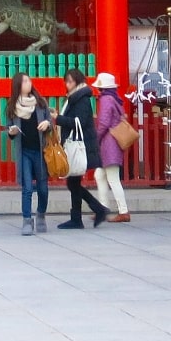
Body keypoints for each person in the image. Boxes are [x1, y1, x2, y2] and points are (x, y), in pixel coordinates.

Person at [56, 72, 111, 229]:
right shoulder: (75, 98)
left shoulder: (82, 100)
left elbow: (78, 122)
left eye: (70, 81)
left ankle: (92, 212)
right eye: (66, 81)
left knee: (73, 183)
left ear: (78, 82)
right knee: (73, 183)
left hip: (81, 146)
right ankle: (82, 216)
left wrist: (58, 118)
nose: (68, 84)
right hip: (79, 145)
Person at [5, 72, 55, 234]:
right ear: (18, 85)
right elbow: (9, 129)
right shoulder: (12, 106)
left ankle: (40, 215)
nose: (29, 83)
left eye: (29, 80)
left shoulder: (40, 103)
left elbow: (50, 123)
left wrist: (47, 123)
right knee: (27, 187)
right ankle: (27, 220)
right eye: (25, 81)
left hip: (40, 151)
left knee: (43, 187)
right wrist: (11, 131)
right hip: (24, 151)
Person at [92, 71, 131, 223]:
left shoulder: (106, 100)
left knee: (112, 178)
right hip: (113, 143)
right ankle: (102, 208)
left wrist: (96, 139)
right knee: (100, 176)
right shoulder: (115, 99)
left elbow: (103, 123)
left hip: (108, 144)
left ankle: (123, 211)